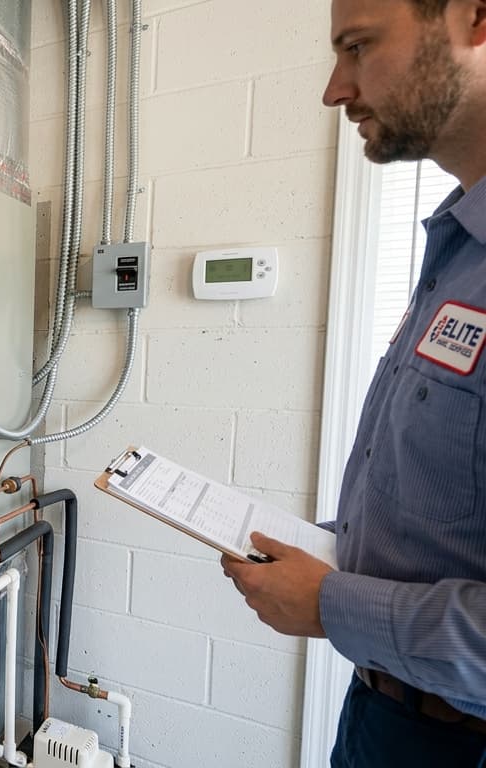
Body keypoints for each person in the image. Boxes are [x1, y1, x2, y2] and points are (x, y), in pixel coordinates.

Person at [221, 0, 486, 765]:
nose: (335, 89)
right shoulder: (458, 253)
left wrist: (333, 603)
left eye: (359, 47)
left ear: (474, 19)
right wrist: (333, 552)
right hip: (384, 710)